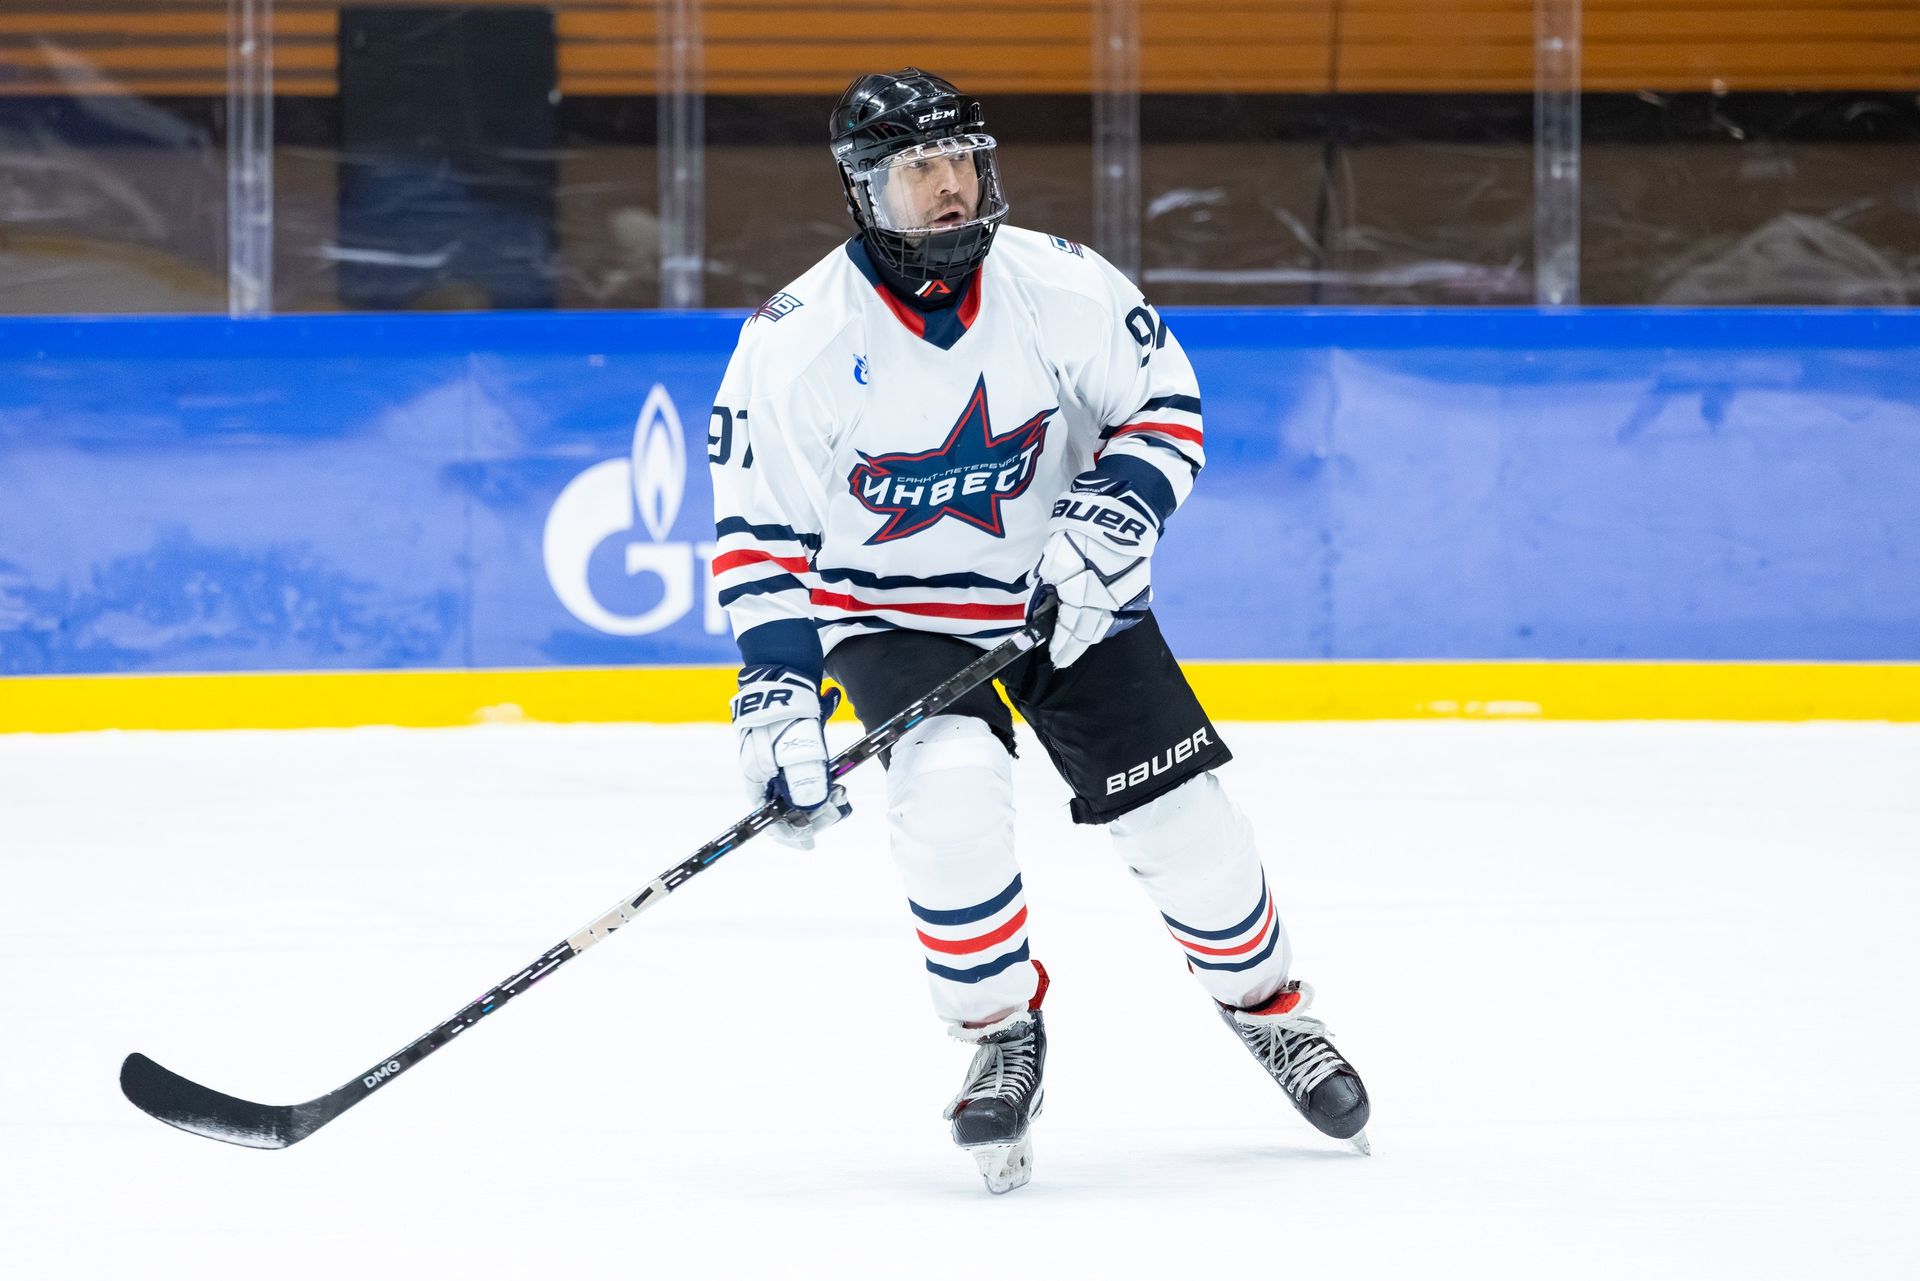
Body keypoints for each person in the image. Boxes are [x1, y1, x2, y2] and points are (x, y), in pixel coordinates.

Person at [707, 68, 1369, 1193]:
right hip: (895, 616)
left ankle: (1273, 1012)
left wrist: (1114, 517)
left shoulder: (1061, 283)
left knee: (1188, 828)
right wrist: (777, 694)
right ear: (864, 190)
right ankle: (999, 1036)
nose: (951, 187)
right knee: (949, 798)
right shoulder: (797, 341)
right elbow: (760, 536)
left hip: (1068, 595)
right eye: (919, 169)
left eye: (961, 160)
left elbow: (1163, 408)